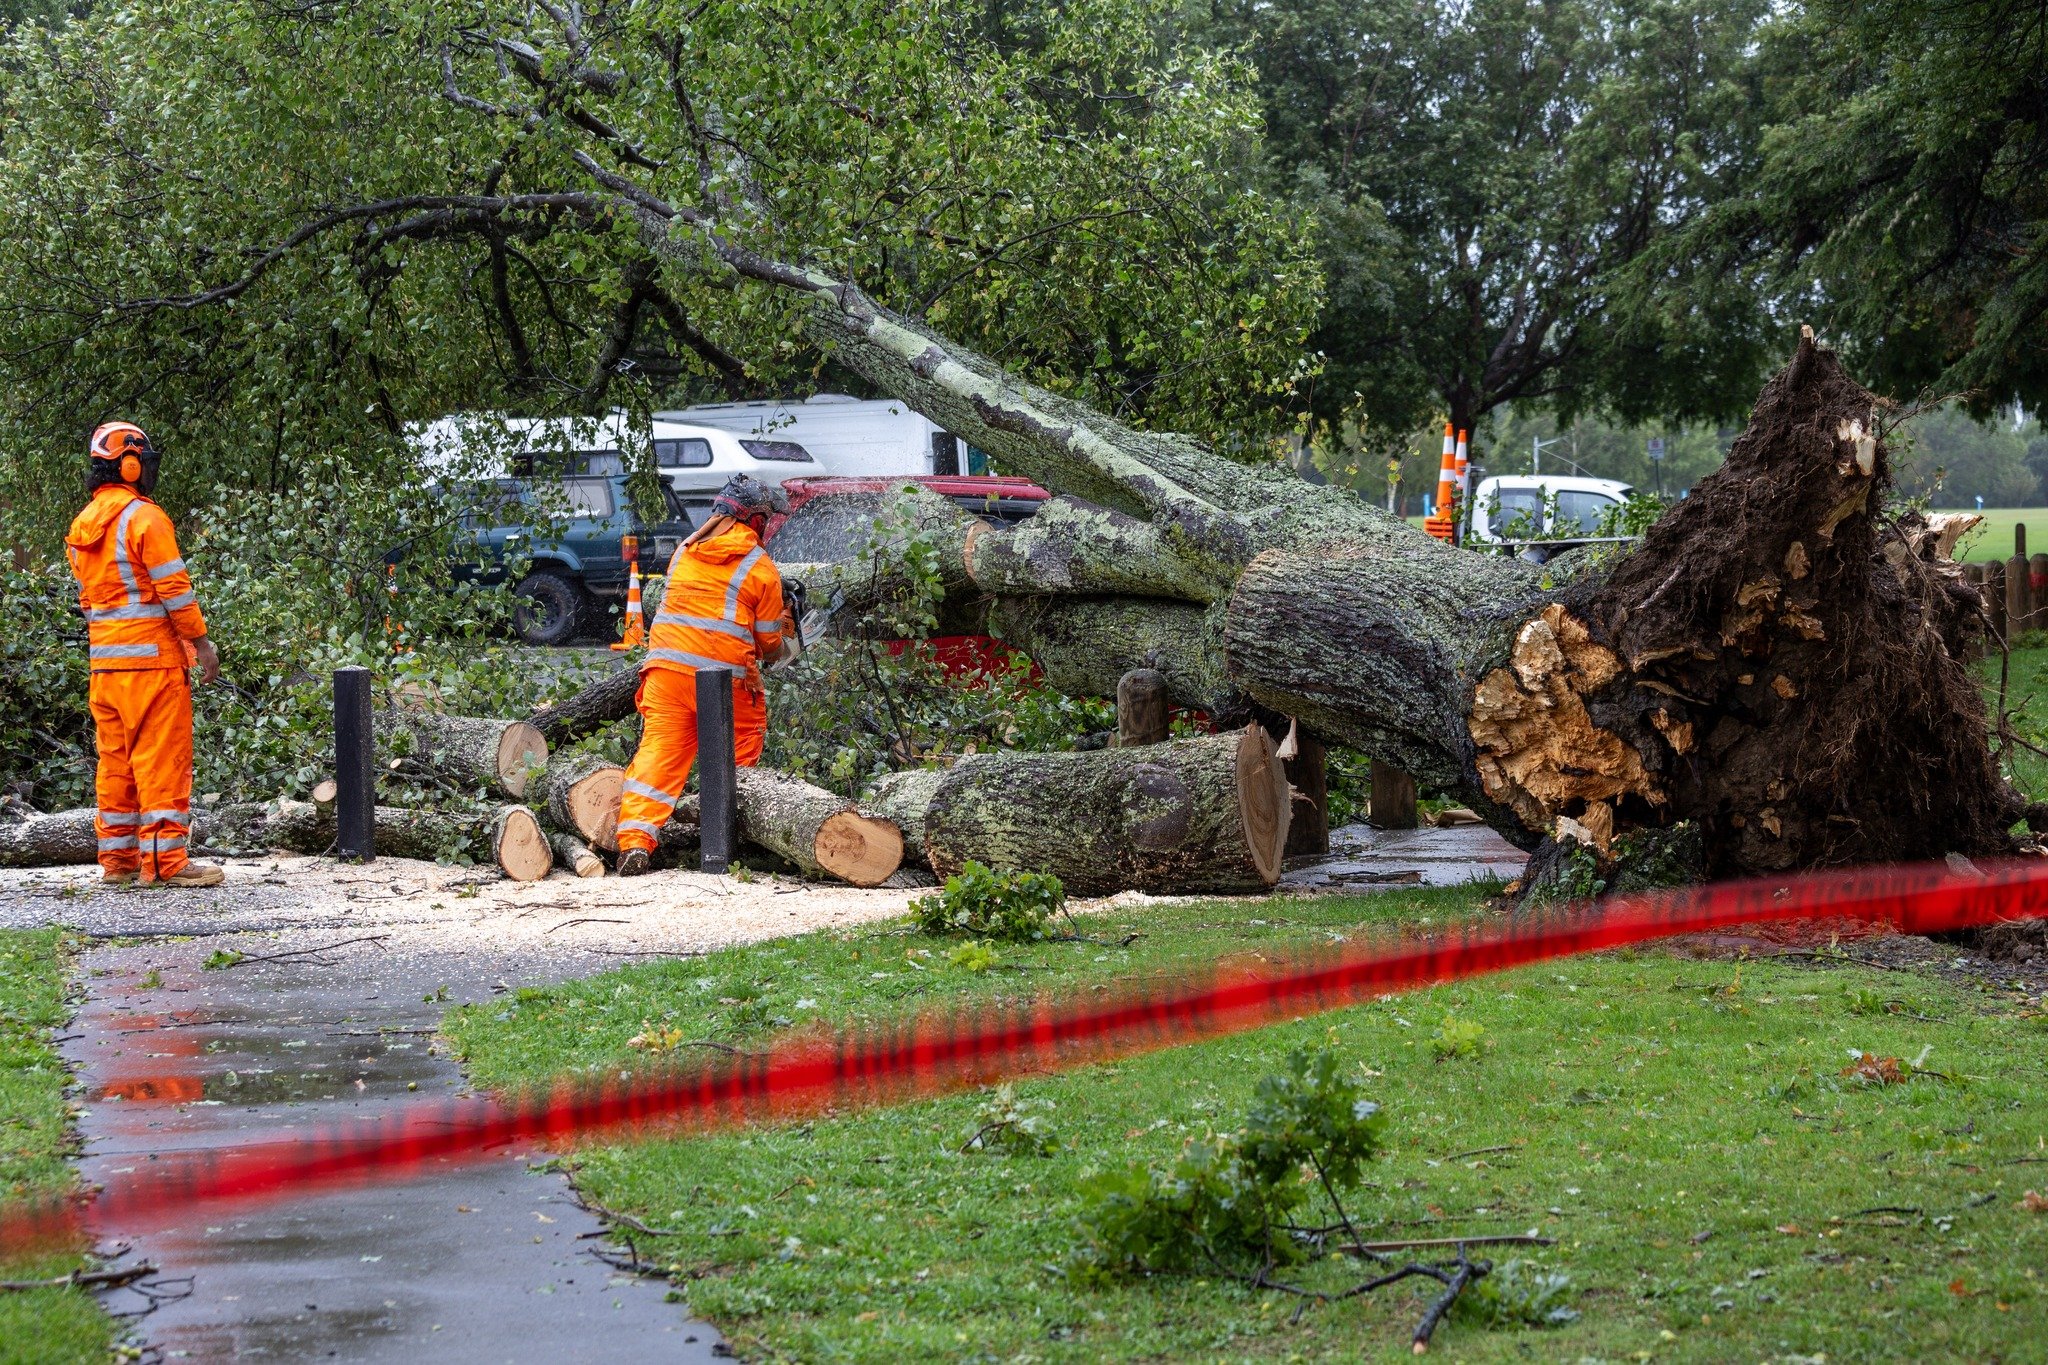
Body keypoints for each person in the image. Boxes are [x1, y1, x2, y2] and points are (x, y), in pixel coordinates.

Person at [64, 422, 224, 887]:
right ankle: (167, 863)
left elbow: (90, 602)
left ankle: (118, 862)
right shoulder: (144, 518)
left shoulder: (82, 526)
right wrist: (200, 643)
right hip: (152, 665)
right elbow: (174, 590)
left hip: (106, 667)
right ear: (129, 464)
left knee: (116, 765)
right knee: (160, 761)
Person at [614, 474, 794, 876]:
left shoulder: (685, 550)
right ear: (756, 520)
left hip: (666, 674)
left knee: (659, 754)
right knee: (739, 754)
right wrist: (785, 629)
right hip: (724, 682)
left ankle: (635, 840)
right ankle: (731, 836)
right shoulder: (760, 568)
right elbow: (767, 644)